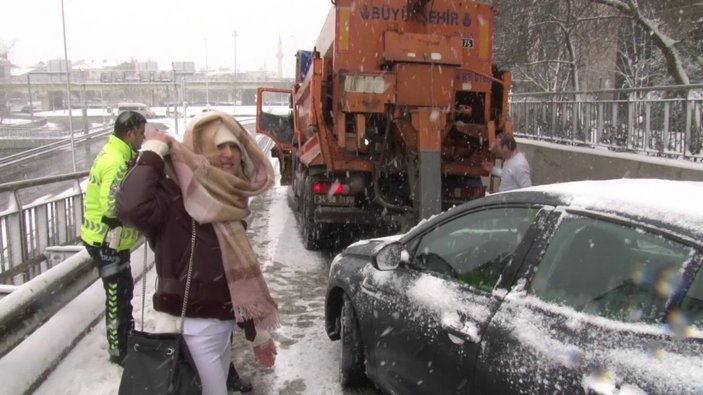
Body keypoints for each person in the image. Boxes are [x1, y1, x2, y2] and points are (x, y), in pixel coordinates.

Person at [117, 110, 278, 395]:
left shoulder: (229, 201)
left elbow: (234, 278)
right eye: (218, 146)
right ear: (198, 150)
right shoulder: (173, 194)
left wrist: (256, 334)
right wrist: (155, 151)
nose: (228, 154)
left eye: (234, 147)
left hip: (221, 329)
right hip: (186, 330)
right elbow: (131, 207)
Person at [80, 110, 146, 365]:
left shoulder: (117, 152)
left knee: (124, 290)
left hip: (109, 240)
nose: (143, 138)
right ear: (129, 134)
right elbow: (113, 207)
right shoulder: (117, 161)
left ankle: (125, 338)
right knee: (117, 296)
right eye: (140, 134)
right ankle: (119, 351)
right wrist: (142, 215)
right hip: (107, 242)